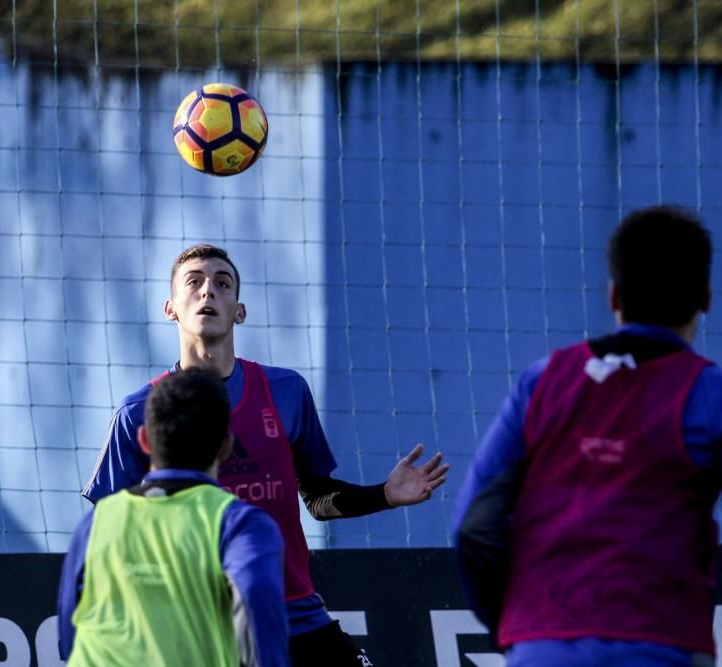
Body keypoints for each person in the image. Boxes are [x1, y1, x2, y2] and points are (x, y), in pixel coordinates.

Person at [453, 205, 722, 667]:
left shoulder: (540, 385)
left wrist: (519, 629)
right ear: (705, 295)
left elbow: (473, 527)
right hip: (664, 647)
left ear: (613, 296)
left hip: (542, 648)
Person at [83, 243, 450, 667]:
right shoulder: (138, 413)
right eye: (195, 282)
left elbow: (316, 498)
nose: (208, 292)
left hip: (297, 617)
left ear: (239, 311)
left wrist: (382, 494)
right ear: (171, 308)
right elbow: (108, 537)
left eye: (222, 284)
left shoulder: (286, 391)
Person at [58, 367, 289, 666]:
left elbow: (68, 636)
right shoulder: (241, 525)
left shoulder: (95, 523)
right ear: (226, 446)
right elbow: (257, 603)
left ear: (143, 440)